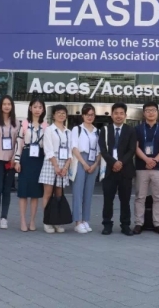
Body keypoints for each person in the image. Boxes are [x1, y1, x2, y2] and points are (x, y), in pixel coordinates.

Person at [99, 102, 137, 236]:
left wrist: (120, 163)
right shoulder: (105, 130)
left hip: (125, 170)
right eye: (116, 113)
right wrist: (113, 163)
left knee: (125, 200)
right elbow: (103, 150)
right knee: (107, 200)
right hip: (109, 171)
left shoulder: (131, 130)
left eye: (121, 113)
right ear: (112, 115)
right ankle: (107, 225)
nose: (119, 116)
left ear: (125, 115)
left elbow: (132, 150)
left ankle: (125, 225)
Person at [133, 102, 159, 235]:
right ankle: (139, 223)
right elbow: (135, 147)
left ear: (157, 112)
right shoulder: (137, 129)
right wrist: (146, 160)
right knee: (140, 197)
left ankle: (158, 224)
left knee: (158, 197)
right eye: (148, 110)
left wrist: (154, 160)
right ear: (144, 113)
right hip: (141, 167)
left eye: (153, 110)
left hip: (158, 168)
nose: (150, 113)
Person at [13, 98, 47, 232]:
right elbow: (19, 143)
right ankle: (22, 220)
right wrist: (17, 161)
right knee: (23, 192)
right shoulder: (24, 124)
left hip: (39, 158)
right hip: (26, 157)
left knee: (35, 192)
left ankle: (32, 220)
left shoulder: (46, 126)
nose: (37, 109)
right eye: (35, 107)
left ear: (43, 109)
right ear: (30, 108)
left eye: (40, 107)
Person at [40, 104, 72, 234]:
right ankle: (47, 221)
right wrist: (56, 166)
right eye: (58, 113)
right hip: (51, 163)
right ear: (53, 115)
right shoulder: (49, 130)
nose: (61, 115)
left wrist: (65, 167)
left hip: (64, 164)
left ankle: (57, 221)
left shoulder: (69, 132)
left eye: (63, 113)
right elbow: (48, 149)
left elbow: (70, 151)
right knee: (48, 194)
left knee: (59, 194)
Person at [70, 103, 101, 234]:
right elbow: (74, 147)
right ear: (83, 115)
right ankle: (77, 221)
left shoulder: (97, 131)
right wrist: (83, 163)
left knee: (89, 192)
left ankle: (85, 219)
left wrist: (95, 164)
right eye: (87, 114)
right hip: (80, 160)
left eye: (92, 115)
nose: (90, 117)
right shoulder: (77, 129)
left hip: (94, 161)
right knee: (78, 191)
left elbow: (100, 150)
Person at [0, 95, 18, 229]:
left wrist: (15, 158)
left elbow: (19, 142)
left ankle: (4, 217)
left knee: (7, 190)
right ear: (0, 106)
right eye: (4, 104)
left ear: (12, 106)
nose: (7, 106)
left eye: (9, 104)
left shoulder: (16, 123)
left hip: (11, 160)